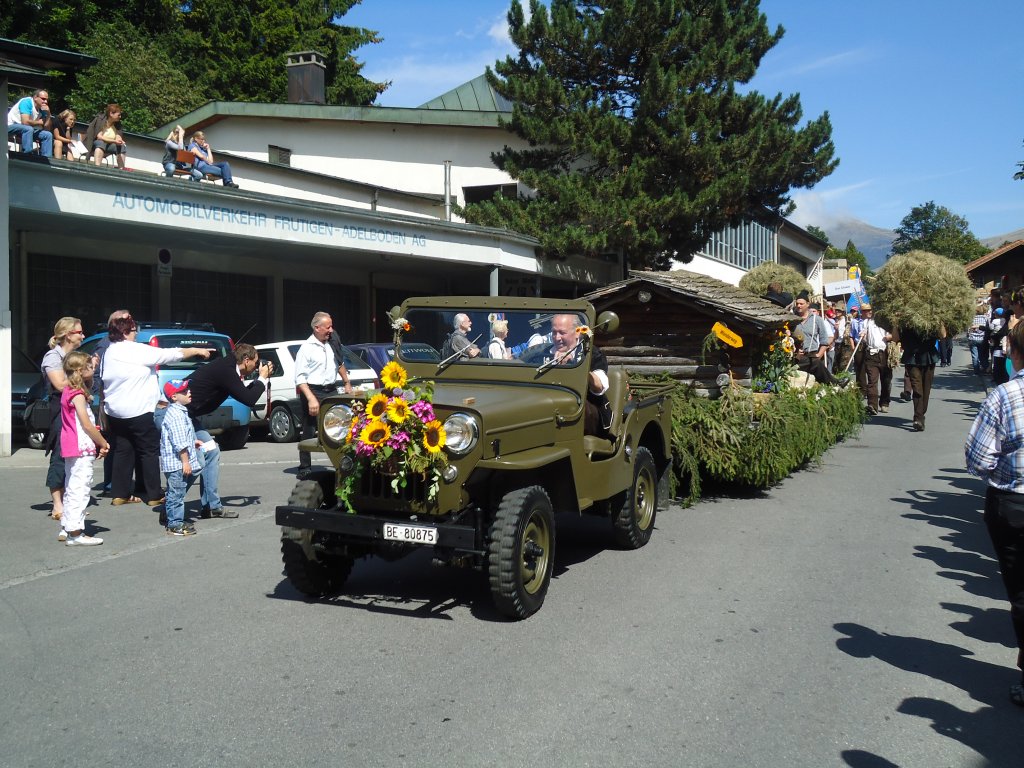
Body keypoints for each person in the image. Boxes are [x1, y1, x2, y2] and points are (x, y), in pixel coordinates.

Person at [964, 320, 1024, 707]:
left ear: (1015, 354)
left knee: (1021, 592)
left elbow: (978, 458)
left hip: (1014, 506)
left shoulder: (1005, 395)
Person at [102, 314, 211, 506]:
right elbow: (168, 355)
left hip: (115, 411)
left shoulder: (109, 352)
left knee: (123, 450)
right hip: (138, 410)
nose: (136, 334)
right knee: (148, 451)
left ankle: (120, 493)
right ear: (126, 331)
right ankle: (153, 495)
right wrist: (195, 350)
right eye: (135, 330)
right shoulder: (134, 350)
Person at [182, 343, 273, 518]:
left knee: (213, 452)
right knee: (197, 461)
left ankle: (211, 506)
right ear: (246, 360)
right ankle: (171, 504)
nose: (256, 367)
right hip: (177, 415)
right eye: (255, 363)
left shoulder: (227, 368)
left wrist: (258, 381)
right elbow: (249, 399)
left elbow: (243, 393)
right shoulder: (226, 370)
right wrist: (261, 378)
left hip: (188, 416)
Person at [527, 313, 612, 436]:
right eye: (554, 332)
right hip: (546, 406)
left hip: (586, 411)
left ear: (577, 332)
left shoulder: (591, 353)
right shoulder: (541, 354)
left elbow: (599, 387)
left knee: (573, 408)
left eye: (562, 332)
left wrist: (575, 364)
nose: (557, 338)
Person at [59, 351, 110, 546]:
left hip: (71, 445)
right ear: (80, 370)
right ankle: (75, 532)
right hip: (81, 446)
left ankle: (69, 525)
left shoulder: (69, 390)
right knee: (81, 488)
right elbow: (87, 425)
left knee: (72, 486)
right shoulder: (78, 395)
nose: (93, 369)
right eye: (89, 367)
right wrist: (102, 442)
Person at [294, 312, 351, 478]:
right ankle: (304, 467)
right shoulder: (306, 348)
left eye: (331, 326)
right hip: (313, 390)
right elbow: (300, 378)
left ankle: (343, 464)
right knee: (310, 429)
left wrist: (347, 382)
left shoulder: (331, 343)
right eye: (328, 327)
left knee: (340, 426)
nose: (331, 330)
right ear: (316, 328)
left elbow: (338, 364)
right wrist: (311, 398)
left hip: (331, 390)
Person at [41, 317, 85, 522]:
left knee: (72, 455)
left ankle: (69, 502)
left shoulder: (73, 356)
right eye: (79, 332)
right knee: (60, 453)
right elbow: (60, 385)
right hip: (60, 410)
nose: (83, 335)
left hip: (74, 409)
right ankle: (57, 504)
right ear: (68, 335)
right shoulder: (53, 356)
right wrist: (82, 373)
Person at [93, 308, 131, 493]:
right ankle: (111, 484)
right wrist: (103, 397)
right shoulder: (105, 345)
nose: (131, 324)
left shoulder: (128, 343)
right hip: (110, 403)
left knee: (124, 444)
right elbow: (97, 375)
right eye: (125, 321)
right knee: (113, 444)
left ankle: (123, 483)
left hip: (127, 401)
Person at [159, 380, 202, 536]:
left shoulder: (178, 411)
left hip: (175, 462)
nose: (189, 392)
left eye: (188, 390)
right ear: (174, 396)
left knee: (174, 492)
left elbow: (181, 437)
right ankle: (175, 524)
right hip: (177, 463)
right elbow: (179, 443)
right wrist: (185, 462)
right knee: (177, 494)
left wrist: (193, 441)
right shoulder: (177, 415)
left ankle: (170, 518)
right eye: (184, 391)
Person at [897, 323, 941, 432]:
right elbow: (895, 338)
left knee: (926, 390)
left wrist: (940, 320)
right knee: (917, 389)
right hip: (912, 357)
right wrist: (895, 321)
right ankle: (918, 418)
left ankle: (921, 414)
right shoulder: (905, 321)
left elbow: (943, 335)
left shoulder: (931, 319)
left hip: (928, 356)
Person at [792, 293, 842, 386]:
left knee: (816, 363)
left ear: (808, 304)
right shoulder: (792, 319)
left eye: (801, 304)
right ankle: (835, 383)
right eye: (797, 303)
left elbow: (824, 340)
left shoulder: (817, 320)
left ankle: (834, 383)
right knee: (815, 365)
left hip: (812, 354)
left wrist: (819, 355)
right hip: (796, 356)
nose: (799, 306)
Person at [857, 303, 892, 415]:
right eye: (866, 310)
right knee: (872, 380)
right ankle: (872, 405)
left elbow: (893, 335)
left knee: (886, 380)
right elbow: (863, 334)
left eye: (870, 310)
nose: (869, 312)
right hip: (871, 354)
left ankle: (885, 402)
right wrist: (863, 334)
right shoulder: (867, 322)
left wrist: (889, 337)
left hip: (885, 353)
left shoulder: (885, 321)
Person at [6, 88, 52, 156]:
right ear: (35, 97)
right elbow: (25, 122)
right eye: (43, 99)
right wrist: (39, 122)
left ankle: (46, 159)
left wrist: (48, 114)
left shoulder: (42, 108)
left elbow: (47, 128)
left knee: (47, 135)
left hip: (26, 130)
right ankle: (28, 155)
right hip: (9, 126)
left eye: (46, 99)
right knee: (28, 129)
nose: (45, 102)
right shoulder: (27, 102)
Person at [85, 104, 127, 168]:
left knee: (122, 147)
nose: (120, 117)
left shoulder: (117, 124)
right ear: (111, 114)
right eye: (118, 115)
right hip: (96, 144)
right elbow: (99, 137)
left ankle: (121, 169)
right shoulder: (101, 121)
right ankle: (97, 167)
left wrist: (120, 141)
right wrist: (114, 141)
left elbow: (118, 135)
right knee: (100, 143)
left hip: (110, 145)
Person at [968, 301, 991, 375]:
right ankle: (986, 368)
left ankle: (976, 371)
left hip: (973, 338)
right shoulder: (986, 318)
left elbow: (969, 329)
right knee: (981, 355)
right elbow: (988, 328)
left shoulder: (972, 318)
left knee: (975, 356)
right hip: (982, 339)